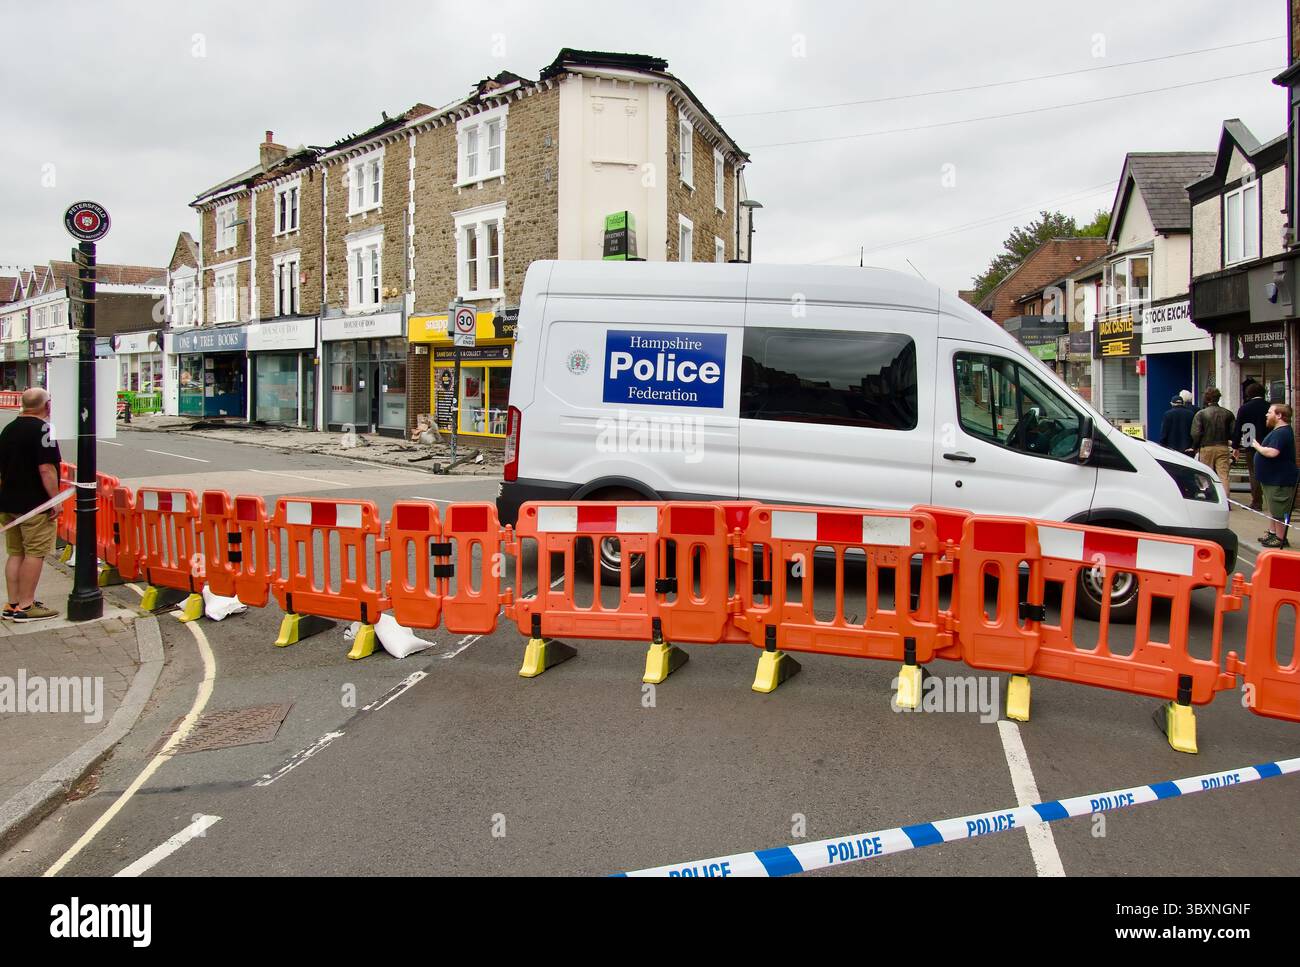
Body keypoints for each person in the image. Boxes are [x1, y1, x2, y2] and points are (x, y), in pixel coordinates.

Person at [0, 388, 62, 621]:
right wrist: (55, 500)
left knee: (15, 553)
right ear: (46, 406)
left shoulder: (8, 429)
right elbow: (46, 468)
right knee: (34, 553)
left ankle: (12, 604)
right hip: (34, 504)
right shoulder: (44, 429)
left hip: (8, 502)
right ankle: (27, 607)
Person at [1251, 403, 1299, 548]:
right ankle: (1273, 533)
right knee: (1274, 508)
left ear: (1279, 416)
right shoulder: (1279, 431)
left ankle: (1280, 538)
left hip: (1280, 479)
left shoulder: (1282, 432)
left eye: (1269, 412)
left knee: (1279, 509)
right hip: (1272, 479)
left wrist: (1257, 446)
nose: (1266, 415)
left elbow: (1273, 452)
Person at [1190, 386, 1235, 501]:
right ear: (1218, 398)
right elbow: (1233, 433)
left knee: (1205, 474)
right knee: (1223, 475)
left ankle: (1207, 498)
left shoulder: (1201, 414)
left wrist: (1195, 447)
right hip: (1223, 446)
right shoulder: (1228, 414)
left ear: (1206, 398)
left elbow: (1196, 433)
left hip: (1206, 447)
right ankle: (1226, 501)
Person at [1233, 381, 1270, 512]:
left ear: (1249, 393)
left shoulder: (1245, 408)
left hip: (1250, 442)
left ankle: (1256, 502)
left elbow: (1238, 428)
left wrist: (1235, 446)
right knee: (1268, 471)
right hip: (1268, 442)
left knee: (1253, 473)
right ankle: (1271, 500)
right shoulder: (1269, 406)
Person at [1157, 390, 1195, 455]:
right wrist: (1193, 446)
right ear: (1183, 403)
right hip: (1187, 449)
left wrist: (1161, 445)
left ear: (1171, 403)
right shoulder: (1191, 414)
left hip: (1172, 450)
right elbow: (1194, 431)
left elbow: (1164, 432)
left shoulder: (1167, 414)